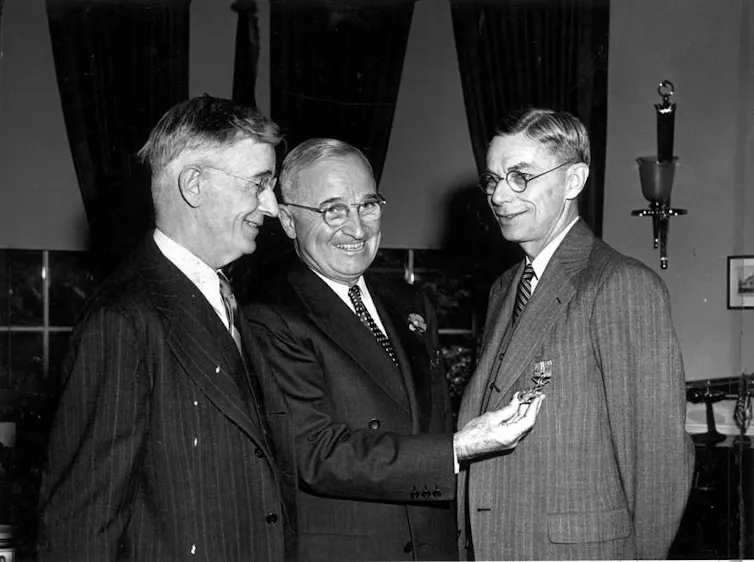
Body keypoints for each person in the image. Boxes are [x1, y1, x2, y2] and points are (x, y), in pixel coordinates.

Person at [244, 138, 544, 562]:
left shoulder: (410, 302)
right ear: (290, 221)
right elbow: (317, 453)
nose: (357, 228)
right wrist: (457, 449)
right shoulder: (271, 317)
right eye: (334, 210)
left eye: (368, 205)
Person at [38, 95, 297, 561]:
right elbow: (81, 524)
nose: (272, 206)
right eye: (258, 183)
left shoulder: (226, 298)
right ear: (194, 185)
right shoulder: (124, 319)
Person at [456, 108, 695, 560]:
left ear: (573, 181)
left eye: (520, 176)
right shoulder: (505, 286)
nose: (500, 196)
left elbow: (659, 463)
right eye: (492, 179)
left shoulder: (621, 283)